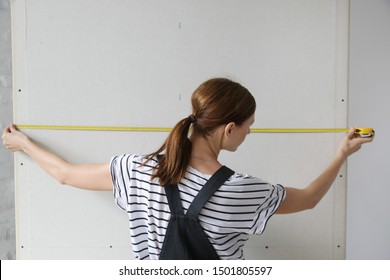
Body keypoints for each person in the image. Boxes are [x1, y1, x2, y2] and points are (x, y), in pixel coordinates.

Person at [2, 78, 373, 260]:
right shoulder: (243, 190)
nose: (249, 132)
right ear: (229, 129)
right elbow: (308, 199)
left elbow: (65, 174)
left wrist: (24, 144)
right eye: (249, 125)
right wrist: (342, 153)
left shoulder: (137, 170)